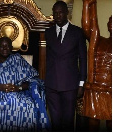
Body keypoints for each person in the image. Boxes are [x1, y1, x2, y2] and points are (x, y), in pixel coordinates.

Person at [44, 1, 87, 131]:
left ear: (67, 13)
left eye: (60, 12)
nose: (57, 16)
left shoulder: (78, 32)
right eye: (55, 13)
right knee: (55, 122)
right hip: (52, 86)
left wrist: (81, 84)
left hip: (70, 85)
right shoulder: (48, 32)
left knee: (68, 122)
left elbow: (83, 59)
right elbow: (46, 59)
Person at [81, 0, 112, 131]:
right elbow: (89, 28)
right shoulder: (99, 41)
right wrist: (87, 5)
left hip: (110, 91)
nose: (111, 23)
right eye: (110, 20)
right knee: (92, 124)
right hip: (95, 89)